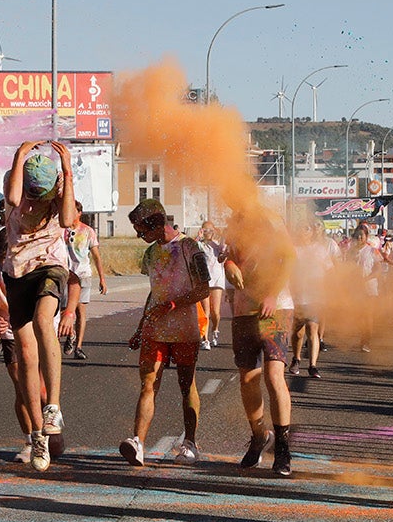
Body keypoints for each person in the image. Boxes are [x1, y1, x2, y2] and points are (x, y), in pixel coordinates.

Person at [2, 140, 76, 471]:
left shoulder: (59, 190)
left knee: (45, 319)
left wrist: (68, 171)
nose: (34, 203)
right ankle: (37, 436)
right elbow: (15, 198)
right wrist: (19, 156)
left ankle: (53, 407)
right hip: (18, 271)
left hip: (50, 265)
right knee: (26, 358)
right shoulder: (14, 183)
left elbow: (70, 218)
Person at [120, 199, 212, 466]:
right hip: (154, 330)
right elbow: (154, 291)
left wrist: (173, 305)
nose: (139, 236)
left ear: (157, 224)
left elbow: (203, 289)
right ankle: (138, 442)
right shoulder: (150, 254)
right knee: (148, 384)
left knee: (186, 386)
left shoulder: (189, 247)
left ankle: (190, 443)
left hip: (185, 330)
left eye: (142, 230)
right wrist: (141, 326)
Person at [226, 206, 298, 477]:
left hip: (275, 307)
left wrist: (272, 294)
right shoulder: (233, 222)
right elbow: (229, 256)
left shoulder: (271, 218)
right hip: (243, 309)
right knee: (247, 378)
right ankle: (258, 436)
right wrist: (230, 265)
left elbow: (289, 257)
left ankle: (282, 448)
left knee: (273, 374)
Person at [0, 229, 44, 464]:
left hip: (36, 328)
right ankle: (31, 441)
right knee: (21, 387)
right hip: (10, 332)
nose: (0, 262)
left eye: (4, 258)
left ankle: (48, 434)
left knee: (41, 390)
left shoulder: (34, 263)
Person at [290, 220, 339, 376]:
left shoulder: (320, 250)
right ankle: (296, 359)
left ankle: (312, 365)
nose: (303, 232)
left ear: (311, 233)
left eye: (307, 229)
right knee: (298, 332)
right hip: (297, 296)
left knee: (312, 328)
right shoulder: (293, 250)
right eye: (301, 229)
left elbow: (330, 269)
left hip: (315, 295)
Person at [64, 201, 107, 360]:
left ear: (79, 213)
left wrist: (102, 278)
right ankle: (71, 333)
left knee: (80, 311)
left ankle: (79, 347)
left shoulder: (88, 231)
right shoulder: (62, 230)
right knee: (64, 310)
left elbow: (96, 256)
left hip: (83, 275)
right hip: (64, 276)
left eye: (72, 210)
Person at [198, 221, 228, 349]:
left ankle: (215, 330)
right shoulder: (200, 245)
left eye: (210, 230)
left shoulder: (217, 245)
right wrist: (198, 237)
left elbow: (223, 255)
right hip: (204, 281)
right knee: (206, 312)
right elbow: (191, 246)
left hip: (216, 281)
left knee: (215, 312)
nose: (207, 233)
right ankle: (205, 339)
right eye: (205, 230)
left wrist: (222, 238)